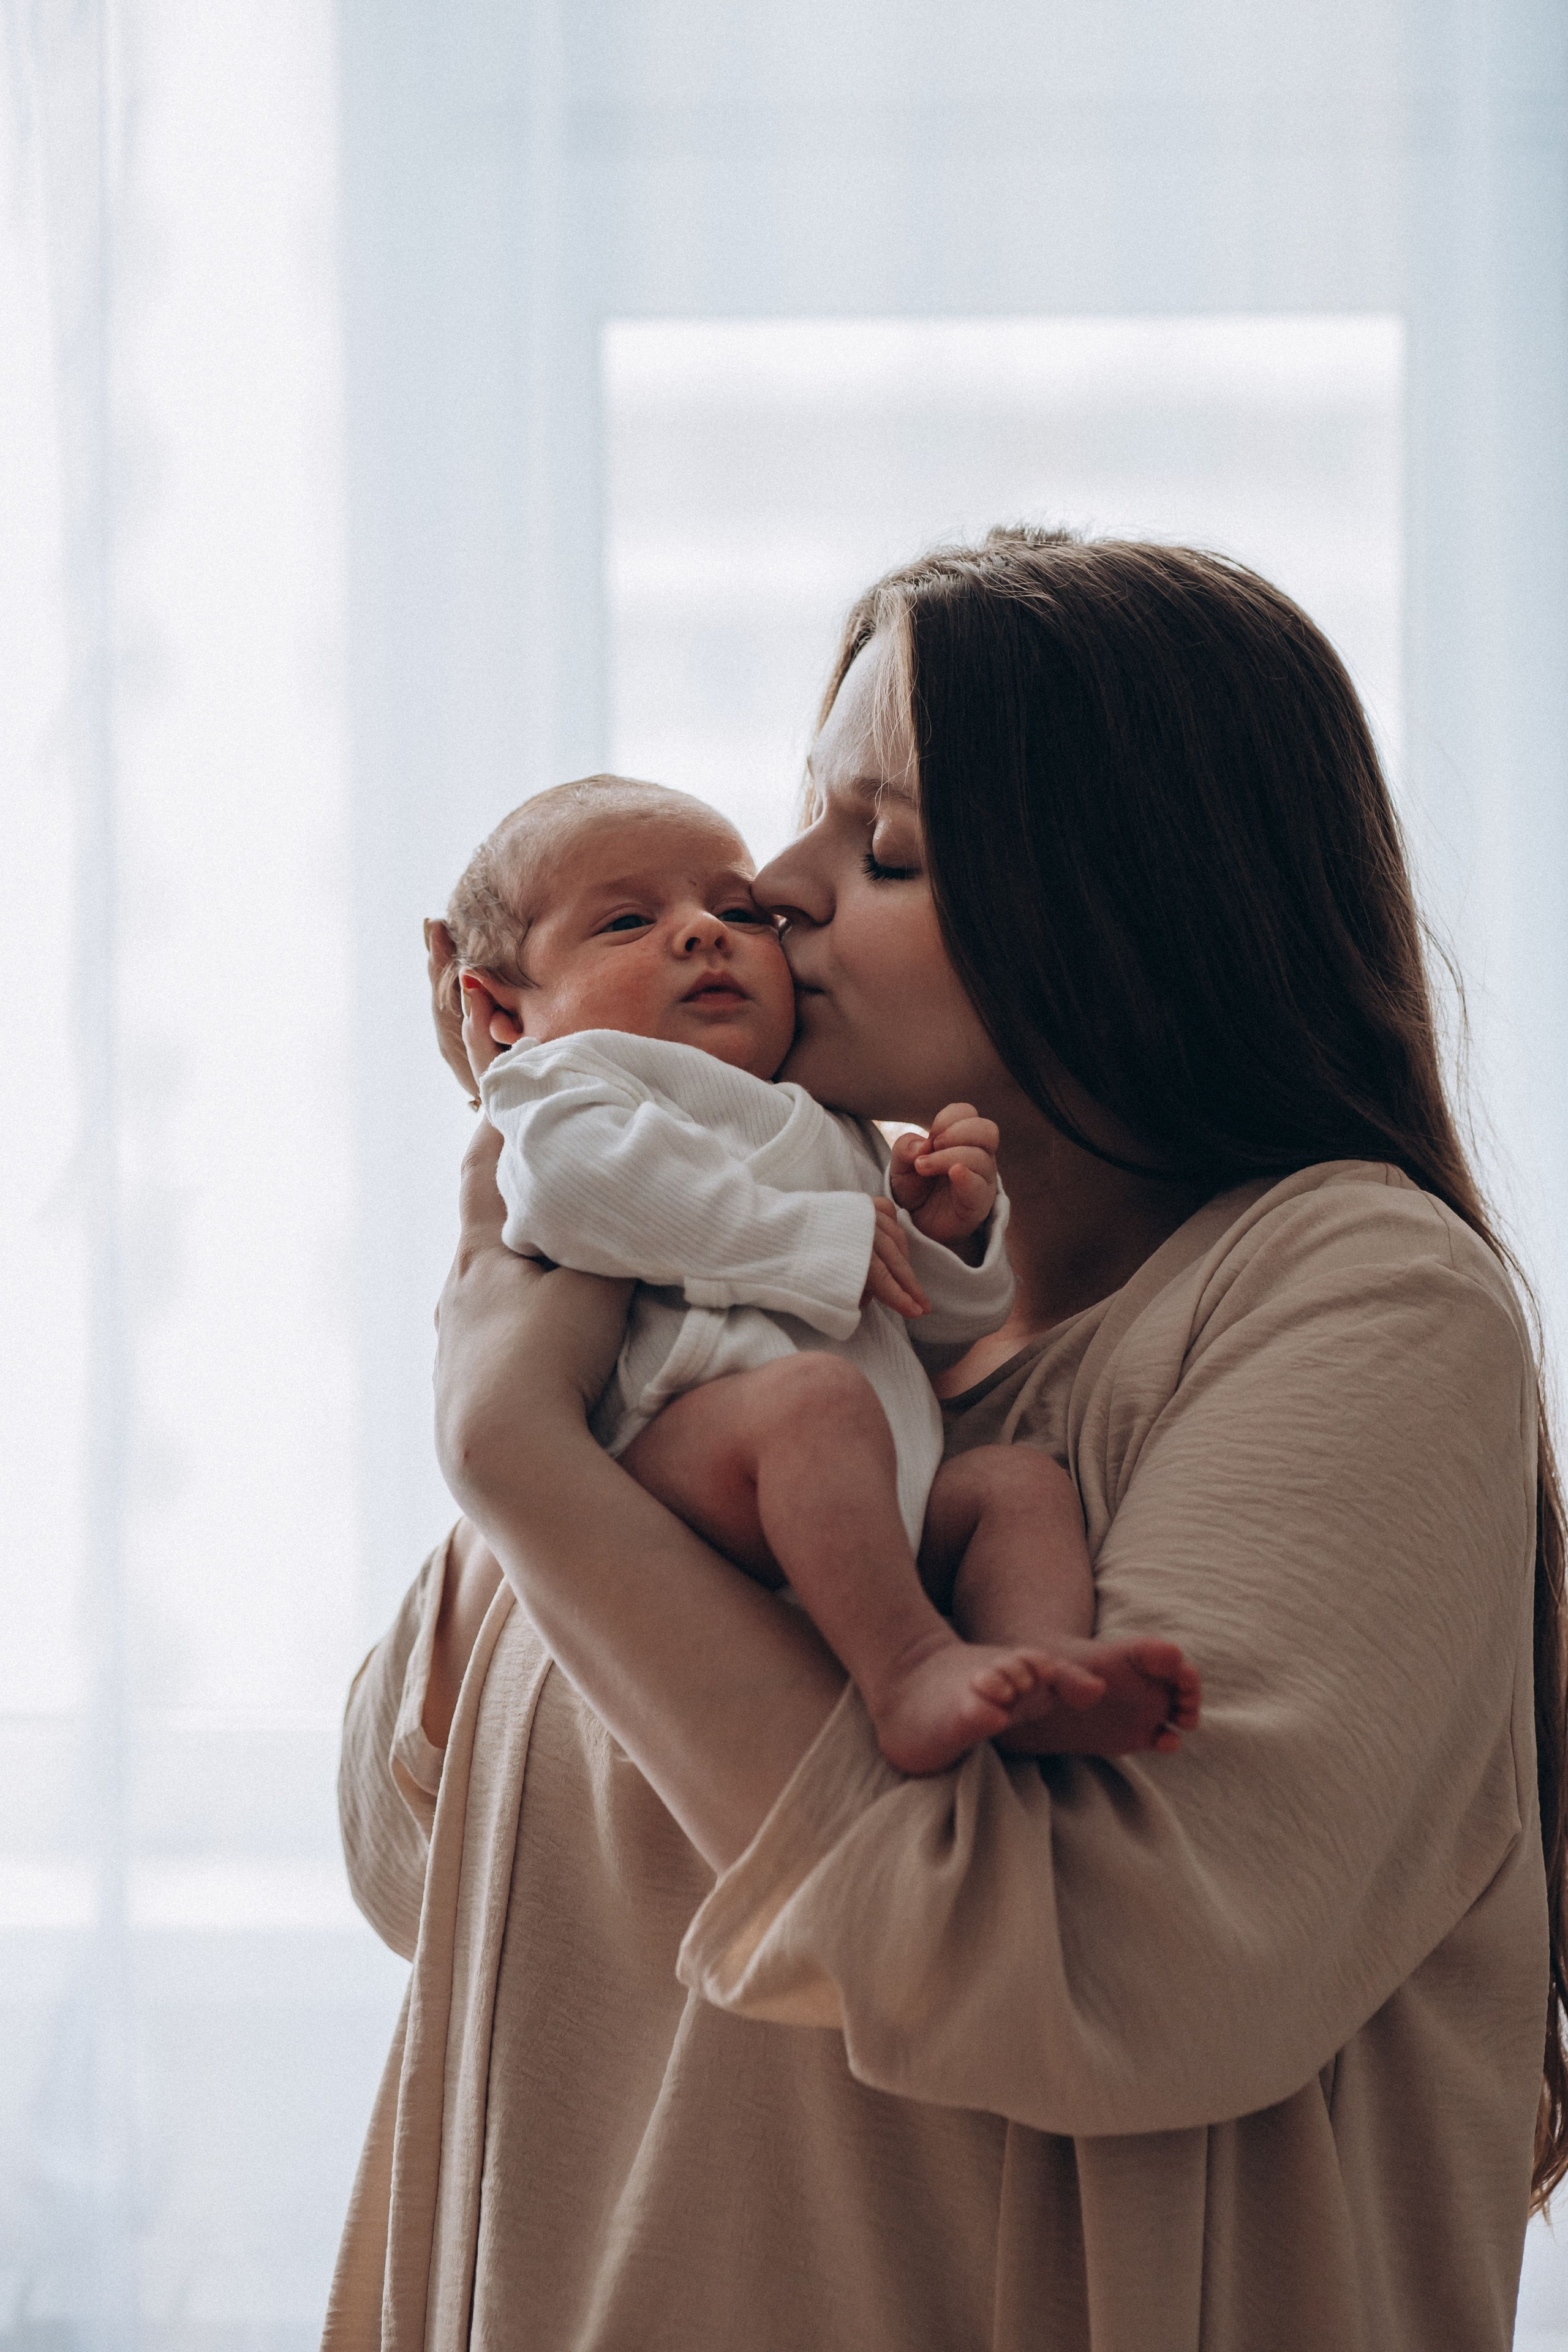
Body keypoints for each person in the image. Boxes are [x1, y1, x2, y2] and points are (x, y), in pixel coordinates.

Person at [326, 529, 1564, 2352]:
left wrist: (516, 1460)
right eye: (802, 832)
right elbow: (418, 1866)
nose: (771, 895)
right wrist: (569, 1300)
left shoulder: (1351, 1301)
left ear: (1139, 906)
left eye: (885, 847)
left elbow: (1115, 1973)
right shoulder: (761, 1315)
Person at [440, 773, 1199, 1773]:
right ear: (501, 1014)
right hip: (682, 1453)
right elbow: (582, 1194)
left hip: (863, 1495)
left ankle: (1037, 1668)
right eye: (628, 921)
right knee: (811, 1401)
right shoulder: (562, 1081)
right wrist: (812, 1241)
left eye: (735, 909)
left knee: (1013, 1485)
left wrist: (942, 1242)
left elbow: (923, 1327)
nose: (701, 933)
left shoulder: (824, 1115)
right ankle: (913, 1671)